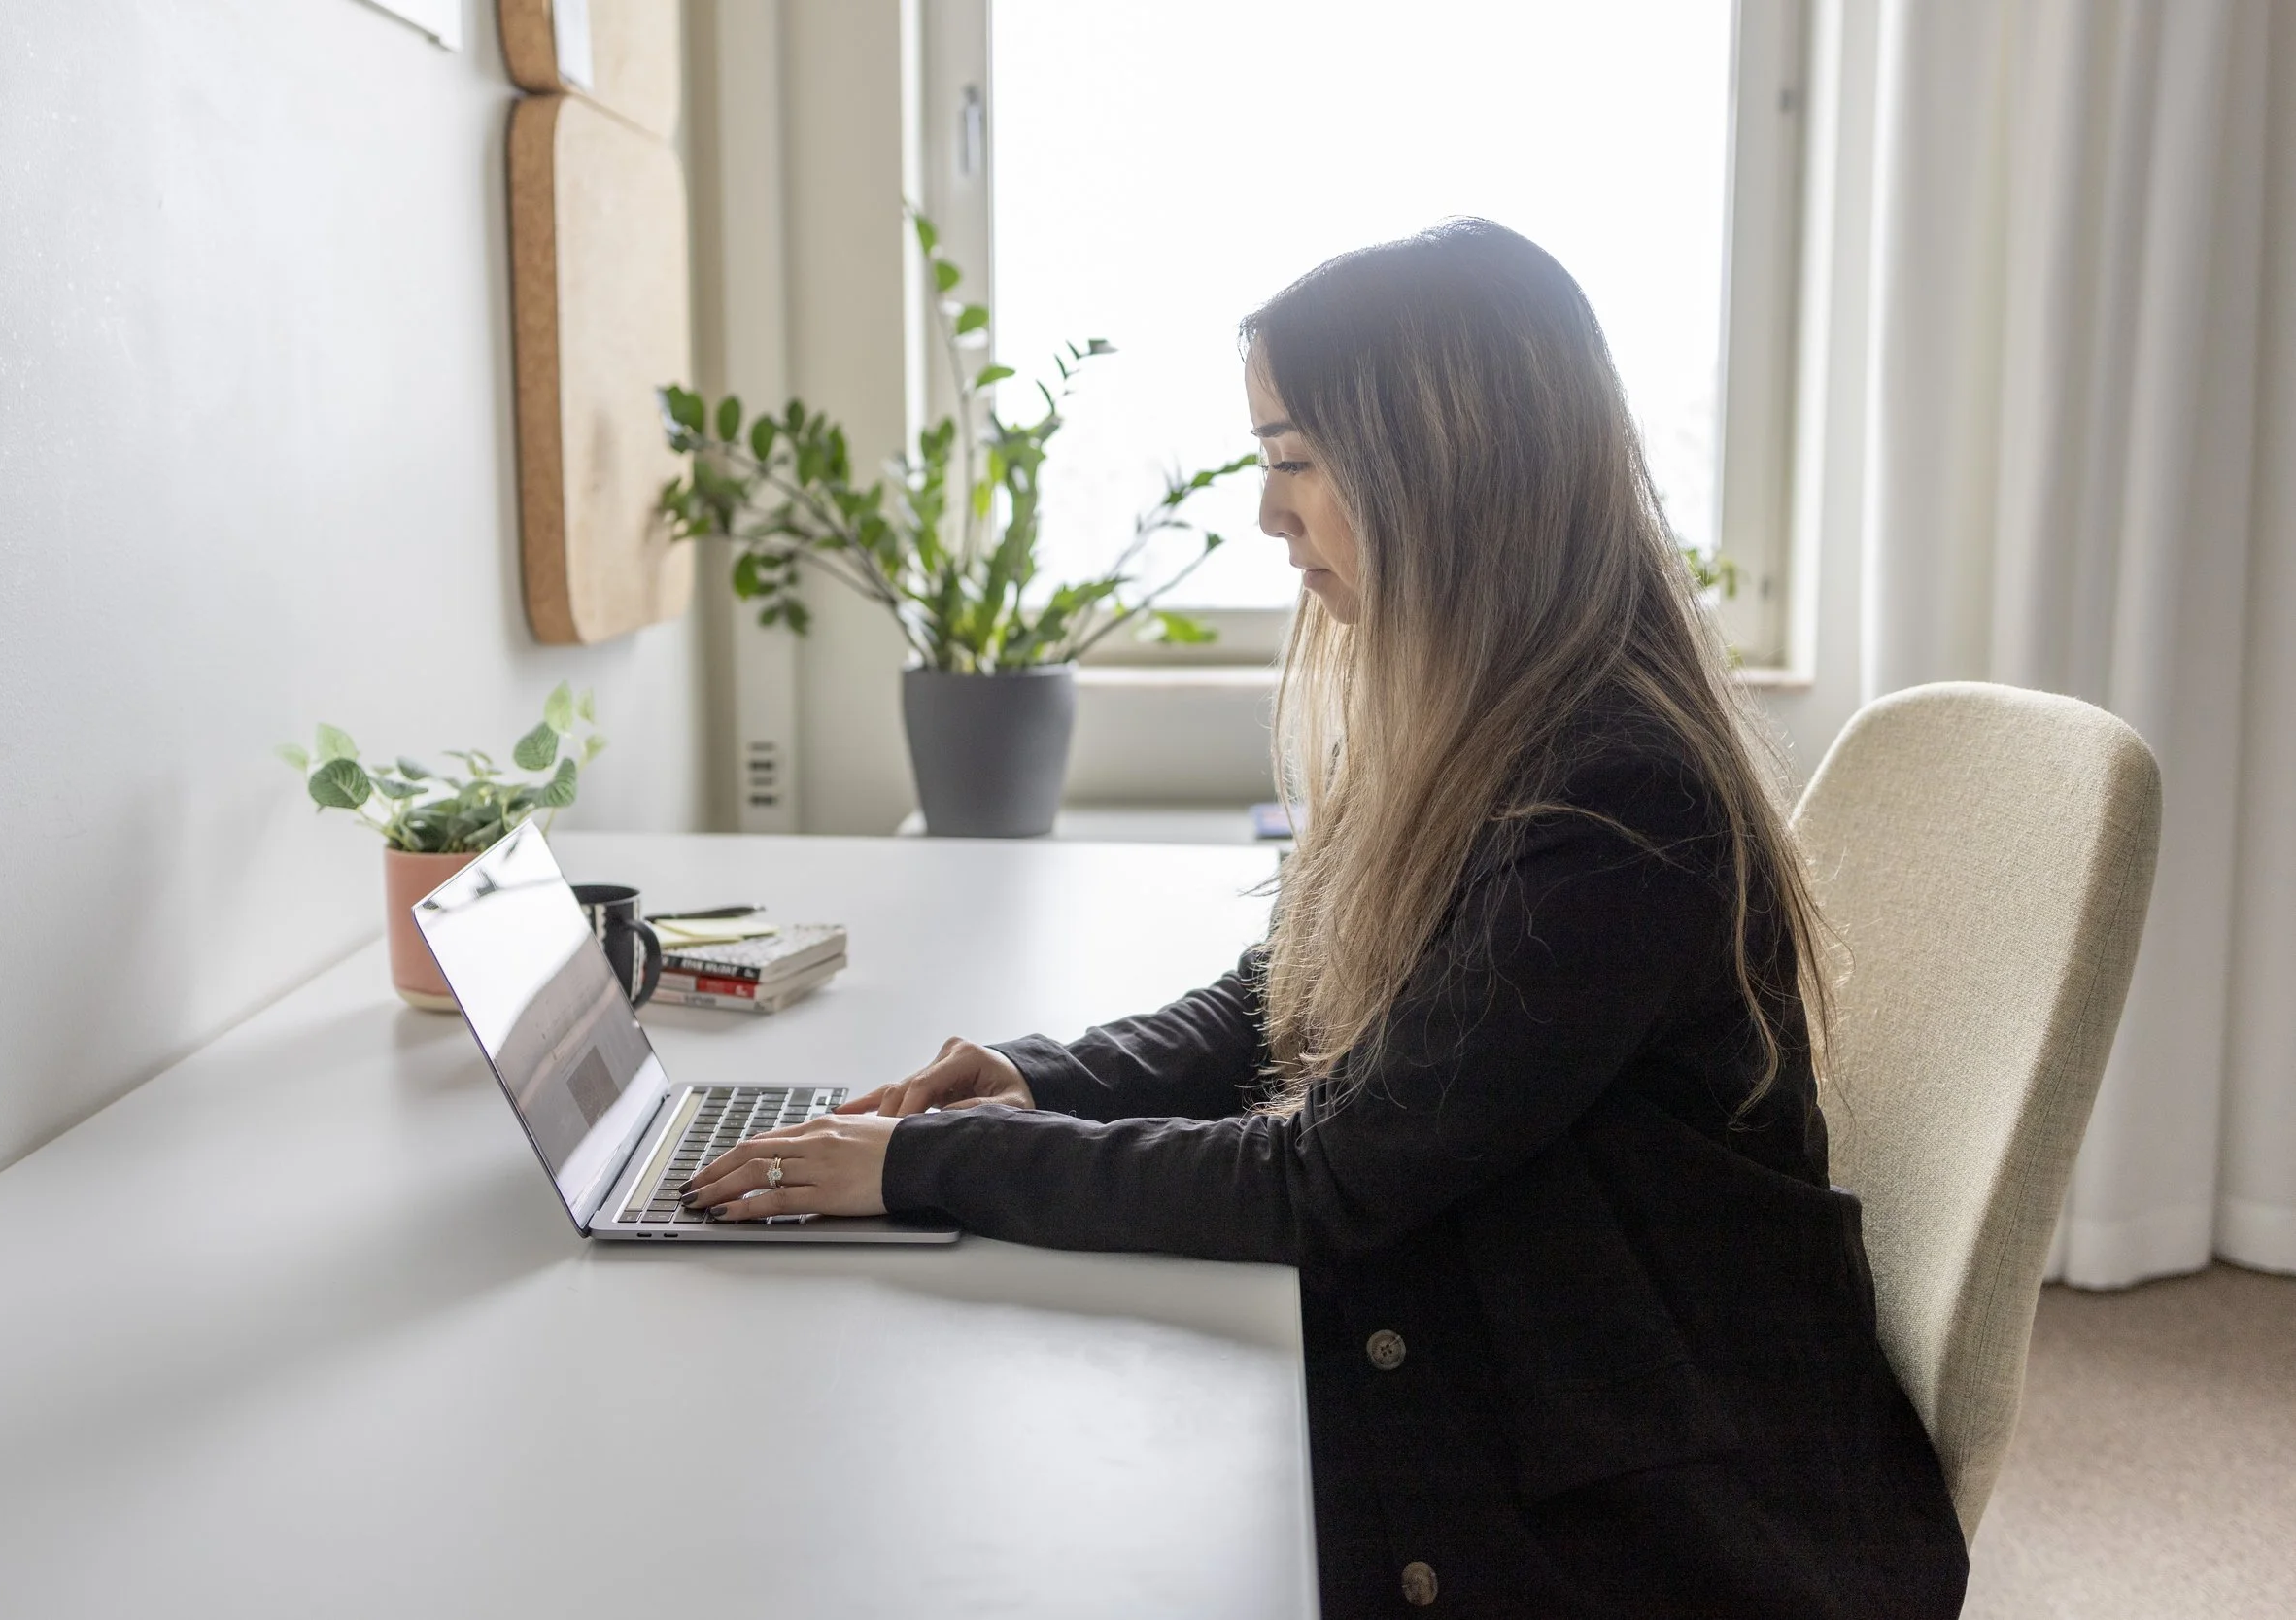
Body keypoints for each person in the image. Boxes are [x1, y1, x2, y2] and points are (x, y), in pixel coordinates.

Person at [677, 220, 1970, 1619]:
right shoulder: (1476, 712)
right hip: (1543, 1352)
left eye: (1294, 459)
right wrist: (1043, 1078)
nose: (1268, 515)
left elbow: (1325, 1182)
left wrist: (930, 1164)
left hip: (1652, 1508)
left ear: (1444, 470)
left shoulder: (1615, 805)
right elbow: (1283, 988)